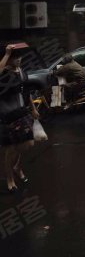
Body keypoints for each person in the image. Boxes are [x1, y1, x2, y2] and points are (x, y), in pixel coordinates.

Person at [0, 45, 39, 193]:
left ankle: (17, 166)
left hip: (22, 112)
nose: (18, 60)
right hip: (7, 114)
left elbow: (26, 91)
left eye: (20, 57)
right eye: (14, 57)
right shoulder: (4, 72)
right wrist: (7, 53)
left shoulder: (21, 72)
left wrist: (33, 108)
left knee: (28, 143)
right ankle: (10, 179)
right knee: (11, 149)